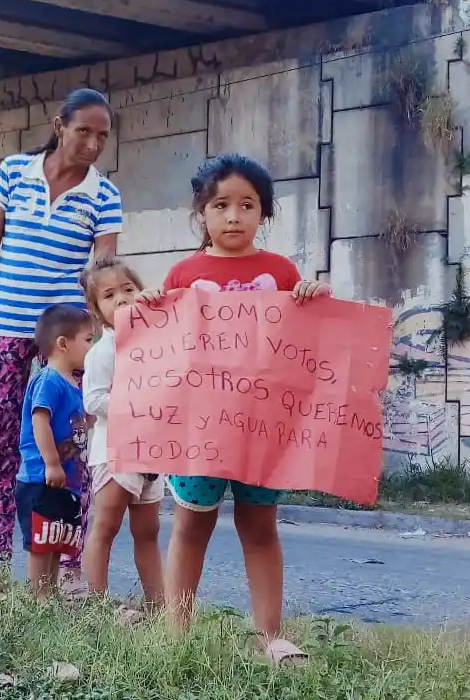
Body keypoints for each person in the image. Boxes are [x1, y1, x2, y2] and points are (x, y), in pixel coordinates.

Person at [136, 153, 331, 666]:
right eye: (221, 205)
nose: (233, 216)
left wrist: (313, 296)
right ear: (202, 211)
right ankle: (176, 635)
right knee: (191, 526)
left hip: (263, 431)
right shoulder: (184, 274)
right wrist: (156, 305)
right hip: (201, 431)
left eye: (247, 205)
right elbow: (166, 351)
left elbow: (307, 336)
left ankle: (271, 636)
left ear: (263, 215)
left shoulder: (282, 272)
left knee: (260, 526)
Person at [0, 88, 122, 599]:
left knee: (71, 448)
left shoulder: (104, 195)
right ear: (58, 125)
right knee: (3, 446)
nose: (93, 143)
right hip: (5, 325)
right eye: (84, 131)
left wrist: (108, 339)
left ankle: (69, 568)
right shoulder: (13, 173)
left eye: (102, 136)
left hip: (68, 341)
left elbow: (104, 274)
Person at [79, 258, 163, 618]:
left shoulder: (159, 343)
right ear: (97, 311)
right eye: (110, 295)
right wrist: (134, 402)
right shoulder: (104, 351)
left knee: (149, 530)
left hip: (153, 452)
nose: (123, 300)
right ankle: (95, 604)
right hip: (115, 450)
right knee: (107, 525)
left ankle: (159, 605)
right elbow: (92, 399)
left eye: (128, 289)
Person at [15, 304, 95, 598]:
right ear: (63, 344)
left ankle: (48, 592)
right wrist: (52, 463)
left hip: (65, 479)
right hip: (41, 478)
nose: (92, 347)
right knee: (41, 540)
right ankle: (39, 597)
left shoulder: (74, 384)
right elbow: (40, 420)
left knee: (55, 537)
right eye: (88, 340)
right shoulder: (49, 380)